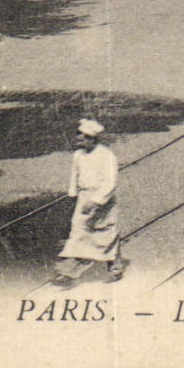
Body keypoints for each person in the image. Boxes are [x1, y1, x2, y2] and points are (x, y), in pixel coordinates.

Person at [51, 118, 126, 286]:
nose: (79, 141)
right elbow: (74, 175)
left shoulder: (107, 156)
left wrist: (97, 201)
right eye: (79, 137)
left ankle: (115, 266)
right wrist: (73, 195)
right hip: (84, 197)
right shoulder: (78, 155)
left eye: (83, 138)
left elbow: (111, 182)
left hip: (103, 200)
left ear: (92, 139)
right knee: (78, 232)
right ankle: (68, 272)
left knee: (106, 233)